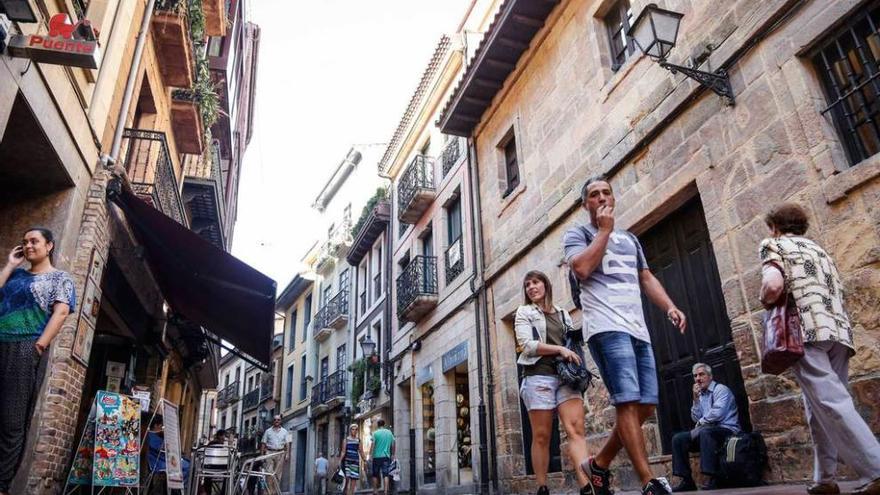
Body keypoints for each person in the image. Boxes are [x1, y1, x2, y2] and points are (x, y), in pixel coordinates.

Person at [564, 177, 687, 495]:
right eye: (594, 194)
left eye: (606, 192)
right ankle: (648, 481)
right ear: (585, 204)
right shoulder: (577, 235)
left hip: (638, 328)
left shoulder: (631, 240)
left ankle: (598, 465)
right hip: (605, 328)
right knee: (628, 402)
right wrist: (603, 230)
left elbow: (645, 277)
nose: (602, 197)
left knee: (645, 406)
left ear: (614, 197)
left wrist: (670, 307)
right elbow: (581, 269)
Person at [759, 203, 880, 495]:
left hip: (805, 330)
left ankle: (875, 469)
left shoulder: (773, 245)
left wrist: (763, 299)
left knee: (831, 401)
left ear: (775, 227)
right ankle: (824, 478)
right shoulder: (820, 250)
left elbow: (772, 286)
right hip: (838, 331)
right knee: (819, 405)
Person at [0, 228, 76, 495]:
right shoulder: (16, 276)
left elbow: (62, 310)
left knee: (12, 419)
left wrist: (39, 346)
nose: (28, 245)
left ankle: (2, 484)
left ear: (50, 246)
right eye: (25, 242)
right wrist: (10, 264)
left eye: (34, 241)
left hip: (24, 347)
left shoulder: (60, 278)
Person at [514, 270, 591, 495]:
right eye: (527, 285)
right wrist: (559, 349)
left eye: (535, 282)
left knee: (576, 429)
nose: (531, 287)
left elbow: (570, 341)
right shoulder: (524, 312)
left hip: (567, 376)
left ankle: (587, 486)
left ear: (545, 285)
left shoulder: (563, 314)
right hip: (538, 375)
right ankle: (542, 486)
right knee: (542, 435)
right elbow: (527, 345)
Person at [671, 363, 740, 492]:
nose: (698, 378)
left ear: (710, 376)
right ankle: (687, 480)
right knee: (678, 439)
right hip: (707, 432)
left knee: (706, 433)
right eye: (695, 376)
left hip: (727, 430)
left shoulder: (721, 390)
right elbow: (695, 418)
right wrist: (695, 399)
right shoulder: (700, 394)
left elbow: (717, 413)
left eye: (701, 374)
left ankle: (714, 477)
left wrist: (700, 424)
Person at [146, 416, 191, 483]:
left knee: (188, 463)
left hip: (164, 460)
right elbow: (163, 449)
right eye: (162, 426)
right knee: (187, 466)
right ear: (156, 425)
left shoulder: (156, 436)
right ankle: (178, 489)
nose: (163, 428)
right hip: (158, 463)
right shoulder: (151, 436)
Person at [261, 416, 291, 483]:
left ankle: (275, 491)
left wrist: (287, 454)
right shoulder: (268, 431)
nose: (276, 421)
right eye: (275, 419)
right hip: (269, 453)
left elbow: (287, 444)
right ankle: (269, 492)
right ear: (273, 421)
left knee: (278, 473)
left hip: (280, 453)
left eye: (278, 420)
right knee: (269, 473)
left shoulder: (285, 431)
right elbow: (263, 443)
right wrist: (262, 455)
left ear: (281, 421)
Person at [338, 424, 366, 495]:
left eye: (356, 429)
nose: (354, 431)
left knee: (353, 480)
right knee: (347, 478)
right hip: (347, 462)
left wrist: (365, 460)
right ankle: (345, 491)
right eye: (353, 429)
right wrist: (339, 461)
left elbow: (361, 451)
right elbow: (343, 451)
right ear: (350, 430)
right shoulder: (346, 440)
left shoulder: (358, 440)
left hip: (355, 462)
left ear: (357, 431)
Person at [370, 419, 395, 495]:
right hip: (386, 456)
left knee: (375, 474)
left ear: (378, 425)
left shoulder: (375, 433)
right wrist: (393, 454)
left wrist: (370, 455)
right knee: (386, 474)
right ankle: (386, 492)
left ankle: (375, 491)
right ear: (384, 424)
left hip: (376, 457)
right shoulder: (389, 432)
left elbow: (373, 445)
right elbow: (393, 444)